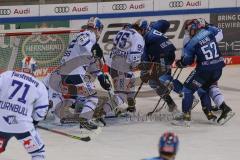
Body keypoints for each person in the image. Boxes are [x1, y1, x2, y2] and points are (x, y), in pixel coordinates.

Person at [173, 18, 234, 126]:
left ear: (194, 28)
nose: (188, 33)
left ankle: (186, 118)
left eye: (189, 30)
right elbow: (218, 32)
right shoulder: (210, 32)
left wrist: (180, 63)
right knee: (203, 88)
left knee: (187, 89)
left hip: (204, 71)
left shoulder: (191, 43)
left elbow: (188, 61)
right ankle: (219, 111)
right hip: (218, 69)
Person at [59, 17, 111, 130]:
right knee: (92, 97)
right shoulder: (89, 35)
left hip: (64, 72)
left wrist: (101, 77)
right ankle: (85, 120)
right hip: (75, 72)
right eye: (100, 30)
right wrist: (94, 48)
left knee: (78, 95)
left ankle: (64, 114)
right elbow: (87, 45)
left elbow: (91, 61)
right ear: (97, 28)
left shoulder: (79, 35)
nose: (99, 33)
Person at [0, 56, 49, 160]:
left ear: (21, 66)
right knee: (38, 153)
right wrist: (35, 122)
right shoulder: (39, 85)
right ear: (34, 68)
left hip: (1, 124)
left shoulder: (6, 75)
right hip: (23, 126)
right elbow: (41, 111)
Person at [107, 19, 146, 114]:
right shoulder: (137, 36)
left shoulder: (120, 33)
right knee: (121, 95)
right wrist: (135, 65)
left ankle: (131, 105)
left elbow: (114, 52)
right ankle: (103, 112)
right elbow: (134, 58)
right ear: (142, 29)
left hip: (113, 66)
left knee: (130, 81)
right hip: (122, 68)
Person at [140, 20, 179, 113]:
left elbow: (145, 59)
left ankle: (185, 93)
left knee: (162, 79)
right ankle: (171, 104)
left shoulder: (144, 38)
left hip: (163, 56)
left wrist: (144, 73)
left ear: (143, 29)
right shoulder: (153, 29)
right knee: (153, 82)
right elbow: (166, 23)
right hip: (168, 53)